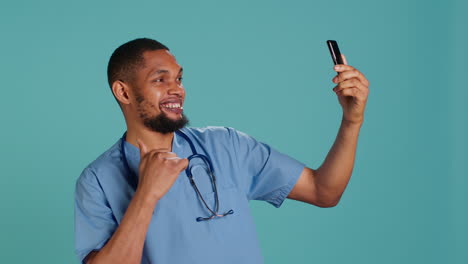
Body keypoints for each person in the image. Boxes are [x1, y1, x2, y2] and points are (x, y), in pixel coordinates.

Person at [74, 38, 370, 264]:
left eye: (178, 78)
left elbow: (324, 192)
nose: (177, 89)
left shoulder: (226, 145)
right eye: (160, 79)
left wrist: (351, 120)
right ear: (123, 92)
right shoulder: (97, 180)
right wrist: (146, 195)